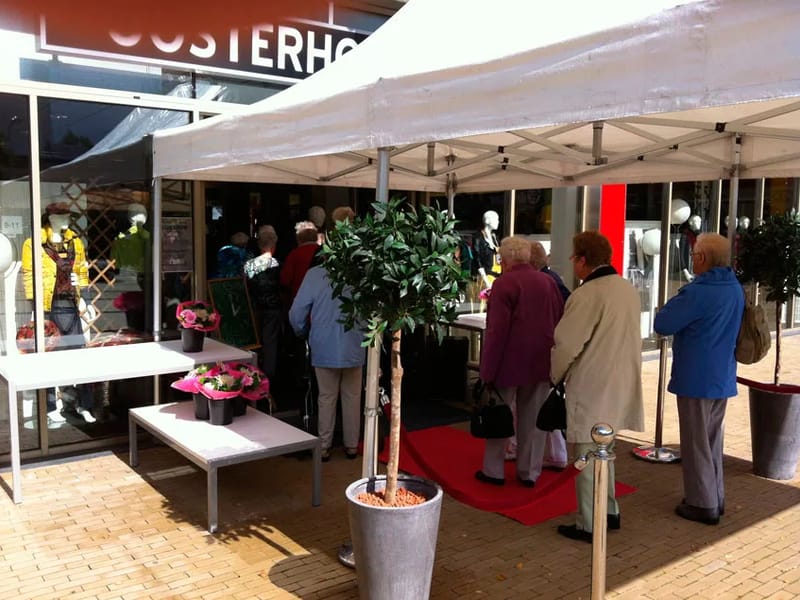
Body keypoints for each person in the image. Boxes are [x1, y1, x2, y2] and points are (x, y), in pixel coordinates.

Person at [551, 230, 644, 543]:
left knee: (588, 456)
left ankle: (589, 523)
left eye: (574, 258)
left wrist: (555, 376)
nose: (573, 264)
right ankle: (609, 511)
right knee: (607, 451)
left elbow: (566, 344)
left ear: (582, 260)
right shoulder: (626, 289)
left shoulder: (586, 294)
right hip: (619, 381)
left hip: (593, 384)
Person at [653, 233, 743, 526]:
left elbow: (663, 322)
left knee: (695, 443)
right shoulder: (734, 287)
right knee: (712, 440)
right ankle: (715, 496)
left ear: (702, 258)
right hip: (722, 375)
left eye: (693, 256)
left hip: (696, 376)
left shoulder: (699, 291)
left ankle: (702, 503)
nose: (693, 260)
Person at [475, 236, 564, 487]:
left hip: (509, 363)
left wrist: (487, 371)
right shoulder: (548, 282)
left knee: (499, 415)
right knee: (533, 420)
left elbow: (496, 331)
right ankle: (529, 472)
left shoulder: (504, 284)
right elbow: (558, 320)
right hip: (541, 361)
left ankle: (494, 471)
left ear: (505, 259)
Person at [21, 201, 95, 424]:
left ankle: (84, 404)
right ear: (51, 218)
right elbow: (29, 275)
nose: (67, 220)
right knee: (48, 358)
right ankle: (50, 406)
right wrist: (35, 307)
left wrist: (86, 298)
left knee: (79, 355)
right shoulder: (33, 244)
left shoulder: (75, 242)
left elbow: (82, 269)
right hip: (48, 307)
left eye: (68, 216)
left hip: (70, 305)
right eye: (62, 216)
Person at [289, 259, 365, 462]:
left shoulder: (315, 273)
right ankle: (351, 445)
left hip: (324, 344)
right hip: (355, 343)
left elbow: (297, 312)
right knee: (353, 396)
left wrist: (302, 332)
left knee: (326, 397)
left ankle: (324, 445)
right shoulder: (359, 272)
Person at [529, 240, 571, 470]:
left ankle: (556, 454)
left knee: (541, 401)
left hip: (544, 348)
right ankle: (558, 454)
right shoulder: (553, 279)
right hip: (550, 346)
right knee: (546, 400)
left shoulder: (546, 280)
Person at [244, 225, 282, 403]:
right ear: (273, 245)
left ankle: (252, 382)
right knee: (270, 346)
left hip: (254, 308)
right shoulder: (276, 263)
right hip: (273, 308)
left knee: (255, 346)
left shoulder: (250, 265)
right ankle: (268, 385)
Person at [280, 221, 320, 307]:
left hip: (300, 298)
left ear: (298, 238)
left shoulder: (294, 254)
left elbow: (285, 279)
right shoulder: (323, 252)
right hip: (321, 298)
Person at [474, 210, 501, 290]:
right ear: (487, 221)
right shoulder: (478, 238)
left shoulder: (494, 237)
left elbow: (498, 255)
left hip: (497, 277)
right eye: (496, 219)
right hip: (486, 278)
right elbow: (477, 260)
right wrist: (485, 281)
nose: (498, 222)